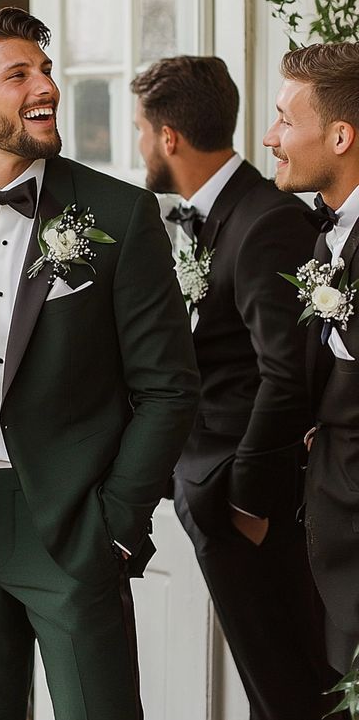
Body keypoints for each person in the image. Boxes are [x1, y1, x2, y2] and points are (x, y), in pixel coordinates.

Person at [0, 7, 200, 720]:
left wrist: (115, 523)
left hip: (72, 524)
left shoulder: (119, 211)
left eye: (45, 69)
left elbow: (169, 388)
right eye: (18, 74)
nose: (44, 84)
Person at [131, 55, 335, 719]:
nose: (138, 146)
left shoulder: (265, 220)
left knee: (288, 687)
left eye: (139, 130)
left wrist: (246, 499)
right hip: (212, 491)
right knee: (266, 683)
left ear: (168, 137)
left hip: (250, 505)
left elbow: (288, 372)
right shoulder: (211, 216)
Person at [263, 42, 359, 674]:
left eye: (286, 120)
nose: (271, 137)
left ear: (341, 135)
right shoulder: (323, 232)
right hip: (331, 531)